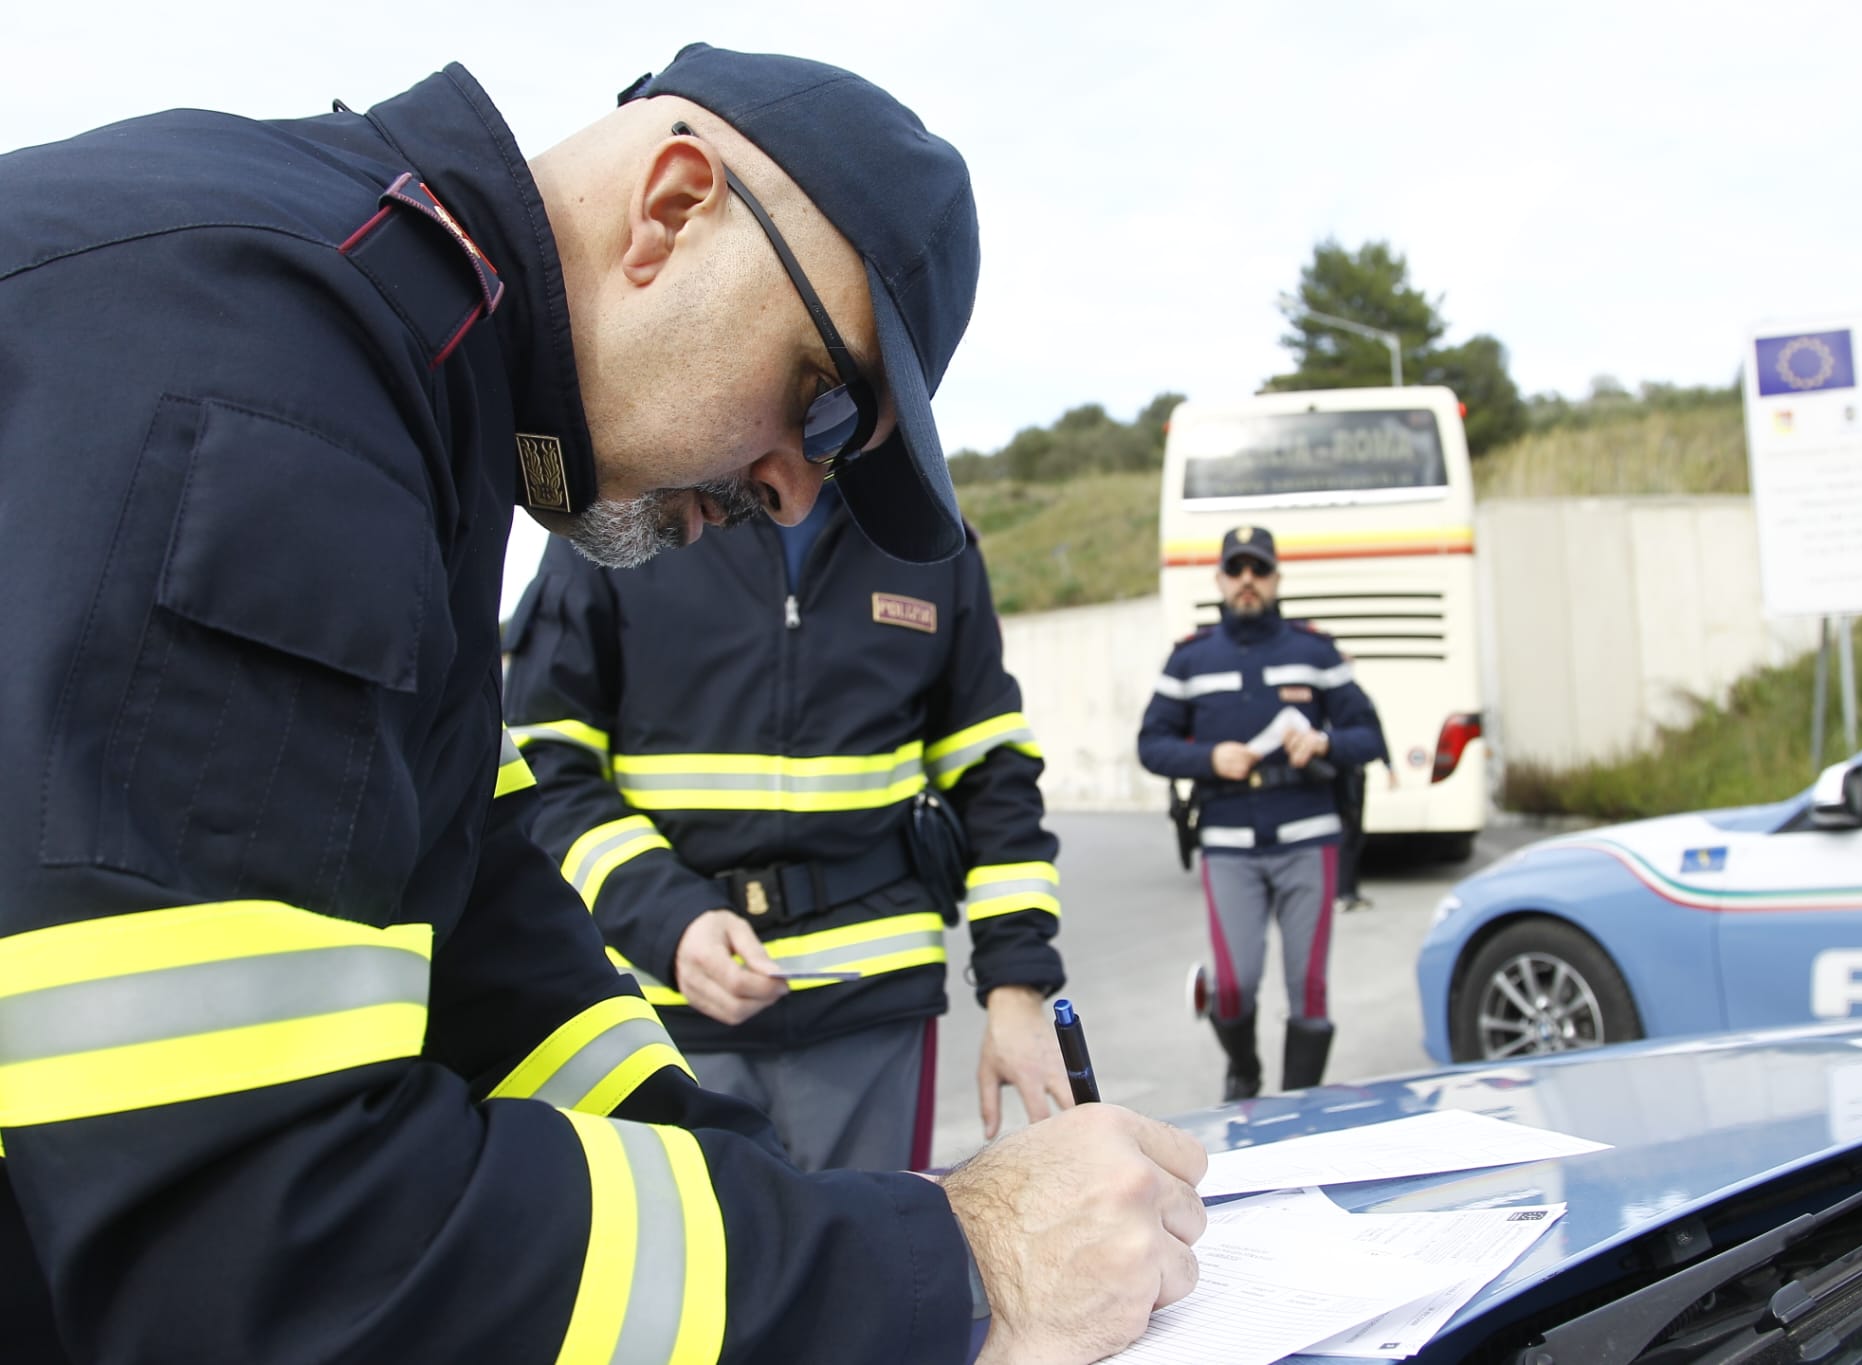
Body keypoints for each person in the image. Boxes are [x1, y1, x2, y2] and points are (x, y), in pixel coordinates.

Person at [0, 43, 1204, 1365]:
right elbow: (256, 1252)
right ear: (676, 203)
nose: (793, 490)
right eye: (820, 404)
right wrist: (952, 1260)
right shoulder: (274, 358)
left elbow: (496, 964)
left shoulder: (402, 377)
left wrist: (818, 1221)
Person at [503, 482, 1069, 1173]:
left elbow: (993, 776)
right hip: (662, 1014)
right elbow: (542, 769)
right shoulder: (617, 519)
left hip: (874, 1010)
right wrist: (668, 919)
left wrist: (1017, 988)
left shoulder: (933, 545)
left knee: (879, 1273)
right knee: (698, 1276)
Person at [1137, 526, 1390, 1101]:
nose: (1247, 580)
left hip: (1309, 839)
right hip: (1228, 844)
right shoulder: (1190, 659)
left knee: (1309, 987)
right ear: (1221, 579)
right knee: (1233, 984)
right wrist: (1208, 758)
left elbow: (1370, 737)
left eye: (1259, 569)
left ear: (1276, 577)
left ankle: (1297, 1112)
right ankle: (1245, 1071)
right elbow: (1151, 745)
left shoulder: (1315, 653)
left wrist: (1324, 742)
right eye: (1237, 569)